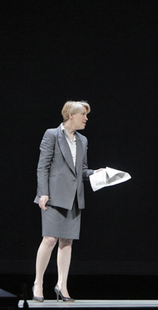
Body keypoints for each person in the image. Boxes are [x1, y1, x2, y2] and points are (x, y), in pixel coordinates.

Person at [32, 101, 100, 302]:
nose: (86, 119)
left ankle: (62, 285)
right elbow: (42, 167)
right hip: (53, 196)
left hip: (73, 198)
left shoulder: (83, 140)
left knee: (67, 242)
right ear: (70, 115)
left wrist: (96, 173)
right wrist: (43, 193)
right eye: (83, 114)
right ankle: (38, 282)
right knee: (50, 239)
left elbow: (82, 170)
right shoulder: (52, 134)